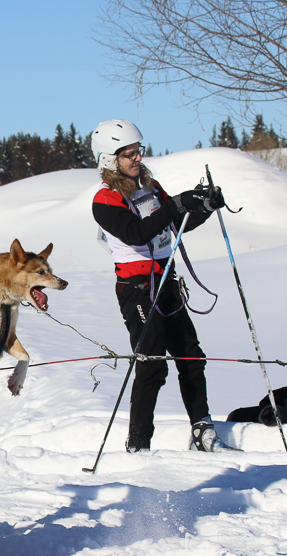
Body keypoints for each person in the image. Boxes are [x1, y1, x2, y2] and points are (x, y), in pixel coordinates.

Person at [90, 119, 235, 453]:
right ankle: (138, 443)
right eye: (128, 154)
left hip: (166, 279)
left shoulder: (149, 189)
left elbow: (175, 222)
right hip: (137, 287)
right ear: (109, 159)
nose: (137, 158)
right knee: (152, 363)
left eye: (138, 151)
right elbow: (135, 234)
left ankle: (202, 429)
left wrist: (206, 207)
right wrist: (177, 203)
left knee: (191, 356)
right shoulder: (105, 199)